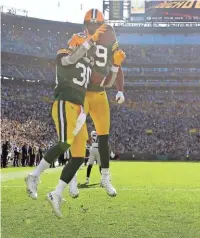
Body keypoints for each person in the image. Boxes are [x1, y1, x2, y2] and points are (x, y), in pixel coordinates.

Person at [25, 27, 106, 217]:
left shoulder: (88, 62)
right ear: (79, 42)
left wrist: (115, 67)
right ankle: (33, 176)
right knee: (65, 142)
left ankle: (56, 193)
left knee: (78, 157)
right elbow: (70, 59)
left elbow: (101, 83)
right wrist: (89, 43)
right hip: (64, 102)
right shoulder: (64, 53)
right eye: (86, 41)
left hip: (78, 109)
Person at [83, 9, 126, 196]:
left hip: (99, 92)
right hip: (81, 91)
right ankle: (71, 178)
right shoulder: (80, 39)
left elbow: (118, 63)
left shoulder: (108, 38)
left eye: (96, 25)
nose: (93, 28)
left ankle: (105, 177)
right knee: (73, 132)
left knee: (104, 136)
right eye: (90, 25)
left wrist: (120, 89)